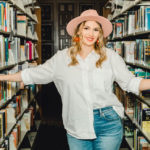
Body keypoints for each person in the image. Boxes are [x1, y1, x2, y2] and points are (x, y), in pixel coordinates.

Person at [0, 9, 150, 150]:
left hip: (108, 123)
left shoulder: (111, 57)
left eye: (96, 29)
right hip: (76, 123)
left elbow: (131, 83)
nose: (91, 33)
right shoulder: (61, 58)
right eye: (86, 28)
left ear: (100, 34)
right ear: (78, 30)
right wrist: (3, 77)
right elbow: (32, 74)